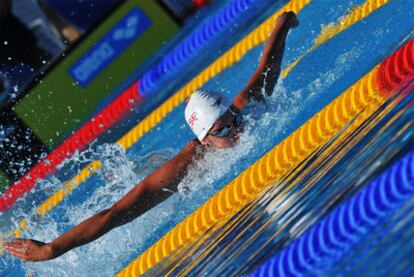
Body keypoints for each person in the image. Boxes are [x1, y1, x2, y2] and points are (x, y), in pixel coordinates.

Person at [4, 11, 298, 262]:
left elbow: (266, 65)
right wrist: (53, 248)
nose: (235, 130)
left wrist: (283, 23)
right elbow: (114, 214)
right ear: (205, 139)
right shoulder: (186, 168)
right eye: (221, 130)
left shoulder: (245, 108)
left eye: (232, 119)